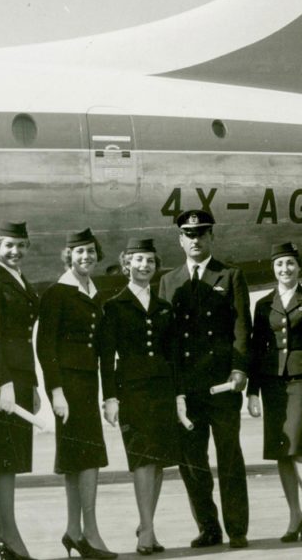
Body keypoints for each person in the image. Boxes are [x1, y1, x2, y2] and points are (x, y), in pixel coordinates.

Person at [159, 209, 251, 549]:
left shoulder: (230, 275)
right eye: (189, 234)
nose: (195, 240)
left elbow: (242, 328)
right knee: (192, 464)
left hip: (222, 384)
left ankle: (237, 529)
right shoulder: (170, 281)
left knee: (229, 458)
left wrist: (240, 369)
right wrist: (172, 387)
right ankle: (209, 527)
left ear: (211, 237)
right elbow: (168, 338)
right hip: (188, 389)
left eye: (201, 234)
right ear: (180, 239)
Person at [36, 229, 116, 560]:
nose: (86, 257)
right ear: (68, 256)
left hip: (87, 385)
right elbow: (45, 347)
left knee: (78, 460)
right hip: (69, 387)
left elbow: (105, 350)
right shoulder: (58, 293)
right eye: (79, 252)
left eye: (90, 252)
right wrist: (56, 391)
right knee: (85, 459)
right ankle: (90, 533)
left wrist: (110, 395)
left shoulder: (94, 294)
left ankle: (74, 531)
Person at [99, 238, 182, 556]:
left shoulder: (164, 308)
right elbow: (106, 358)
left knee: (159, 461)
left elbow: (171, 355)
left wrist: (177, 396)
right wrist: (109, 397)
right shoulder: (114, 305)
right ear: (126, 265)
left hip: (161, 389)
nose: (145, 266)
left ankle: (147, 523)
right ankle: (146, 531)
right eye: (138, 260)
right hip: (131, 391)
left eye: (150, 261)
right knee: (143, 459)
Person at [247, 242, 302, 544]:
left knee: (298, 445)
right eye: (280, 264)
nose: (285, 269)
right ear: (273, 268)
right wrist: (252, 391)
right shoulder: (262, 304)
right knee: (281, 449)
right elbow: (256, 351)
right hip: (272, 384)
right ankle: (295, 515)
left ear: (299, 267)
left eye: (290, 264)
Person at [0, 221, 41, 560]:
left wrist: (32, 385)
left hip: (19, 380)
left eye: (20, 246)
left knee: (10, 458)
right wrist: (4, 385)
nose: (15, 252)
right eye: (7, 246)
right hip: (2, 383)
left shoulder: (18, 282)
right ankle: (10, 537)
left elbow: (23, 340)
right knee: (4, 460)